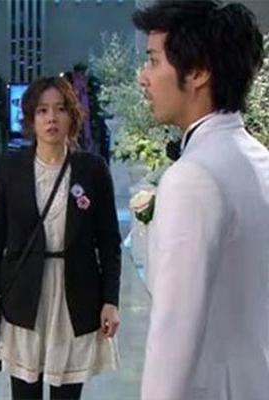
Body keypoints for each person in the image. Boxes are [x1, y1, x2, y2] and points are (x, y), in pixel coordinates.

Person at [134, 2, 269, 399]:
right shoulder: (257, 158)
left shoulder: (193, 178)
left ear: (197, 72)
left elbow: (174, 333)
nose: (144, 77)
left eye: (153, 61)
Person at [0, 77, 121, 400]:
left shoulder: (92, 169)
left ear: (73, 115)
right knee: (24, 392)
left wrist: (111, 301)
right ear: (30, 118)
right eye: (42, 111)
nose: (51, 118)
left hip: (76, 295)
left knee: (67, 393)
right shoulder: (11, 169)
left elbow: (110, 242)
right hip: (24, 294)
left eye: (60, 109)